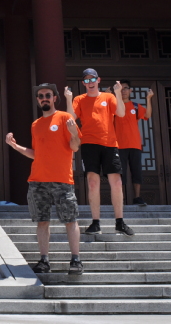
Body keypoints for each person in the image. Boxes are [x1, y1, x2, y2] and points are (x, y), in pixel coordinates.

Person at [6, 84, 83, 275]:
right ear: (38, 100)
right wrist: (15, 146)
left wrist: (74, 133)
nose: (44, 98)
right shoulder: (36, 124)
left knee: (70, 220)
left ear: (55, 98)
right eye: (41, 96)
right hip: (37, 180)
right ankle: (44, 261)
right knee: (42, 221)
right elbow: (36, 154)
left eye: (48, 95)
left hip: (62, 180)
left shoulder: (65, 117)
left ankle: (75, 259)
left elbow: (74, 147)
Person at [65, 68, 134, 236]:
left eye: (92, 79)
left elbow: (121, 113)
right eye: (86, 80)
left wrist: (118, 94)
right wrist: (68, 98)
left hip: (110, 144)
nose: (90, 83)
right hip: (89, 144)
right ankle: (96, 223)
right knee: (92, 183)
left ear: (98, 80)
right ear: (84, 83)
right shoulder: (79, 99)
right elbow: (70, 118)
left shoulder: (108, 97)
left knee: (116, 182)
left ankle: (120, 222)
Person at [114, 81, 154, 207]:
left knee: (136, 171)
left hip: (135, 144)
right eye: (121, 89)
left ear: (130, 90)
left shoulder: (135, 106)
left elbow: (147, 115)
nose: (123, 91)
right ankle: (121, 199)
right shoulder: (114, 107)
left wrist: (148, 99)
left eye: (126, 88)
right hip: (119, 145)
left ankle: (137, 197)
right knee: (120, 173)